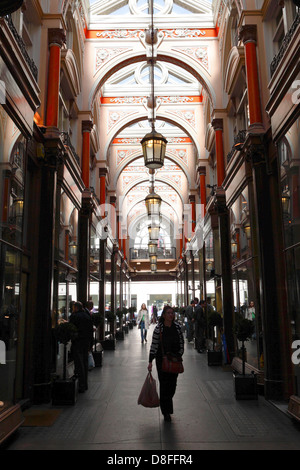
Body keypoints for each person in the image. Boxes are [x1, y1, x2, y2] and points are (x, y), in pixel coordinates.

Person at [148, 305, 184, 422]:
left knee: (172, 385)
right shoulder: (159, 328)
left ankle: (167, 405)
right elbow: (154, 345)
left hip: (174, 360)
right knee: (164, 385)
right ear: (163, 315)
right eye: (168, 313)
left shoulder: (177, 327)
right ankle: (166, 412)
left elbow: (181, 342)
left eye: (172, 313)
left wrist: (179, 353)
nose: (171, 315)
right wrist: (150, 361)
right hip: (162, 360)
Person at [69, 301, 93, 393]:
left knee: (79, 364)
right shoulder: (87, 316)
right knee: (84, 362)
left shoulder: (74, 317)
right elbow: (90, 331)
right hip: (86, 342)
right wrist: (90, 344)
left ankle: (81, 385)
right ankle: (85, 384)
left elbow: (71, 329)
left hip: (77, 342)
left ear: (76, 308)